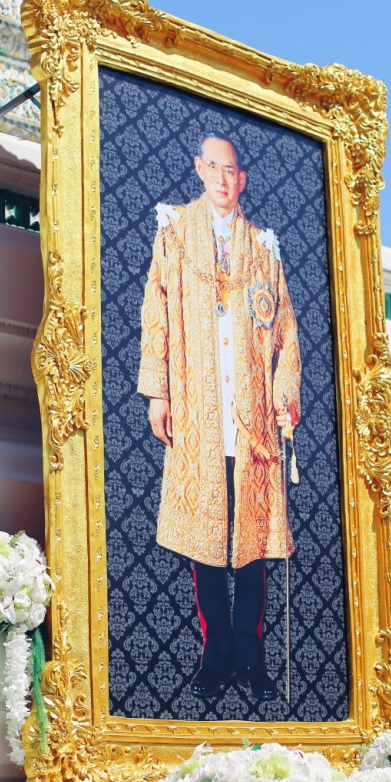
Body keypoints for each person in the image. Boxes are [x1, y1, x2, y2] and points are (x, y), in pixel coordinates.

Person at [138, 133, 301, 702]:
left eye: (232, 171)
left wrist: (284, 390)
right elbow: (155, 312)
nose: (224, 179)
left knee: (252, 545)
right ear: (199, 170)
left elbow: (286, 330)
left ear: (242, 179)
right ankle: (216, 654)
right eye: (215, 168)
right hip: (199, 411)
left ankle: (252, 656)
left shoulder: (264, 247)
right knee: (208, 542)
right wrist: (157, 392)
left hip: (252, 419)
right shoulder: (175, 233)